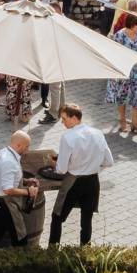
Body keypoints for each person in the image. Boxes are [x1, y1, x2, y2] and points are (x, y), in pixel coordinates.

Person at [47, 104, 111, 247]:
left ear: (74, 118)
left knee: (57, 217)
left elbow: (61, 169)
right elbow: (109, 161)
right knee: (87, 219)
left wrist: (53, 164)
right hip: (93, 181)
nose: (62, 123)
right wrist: (92, 165)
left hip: (73, 182)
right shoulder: (98, 133)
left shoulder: (67, 137)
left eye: (64, 119)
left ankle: (52, 250)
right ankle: (85, 249)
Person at [0, 130, 35, 249]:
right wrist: (28, 191)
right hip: (5, 204)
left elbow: (8, 177)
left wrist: (25, 181)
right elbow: (8, 189)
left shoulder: (4, 152)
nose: (28, 150)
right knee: (20, 237)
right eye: (27, 146)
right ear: (18, 145)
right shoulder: (9, 162)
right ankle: (21, 259)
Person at [105, 13, 137, 135]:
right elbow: (113, 52)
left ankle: (135, 124)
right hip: (123, 69)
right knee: (122, 96)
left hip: (136, 70)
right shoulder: (120, 35)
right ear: (130, 24)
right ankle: (123, 121)